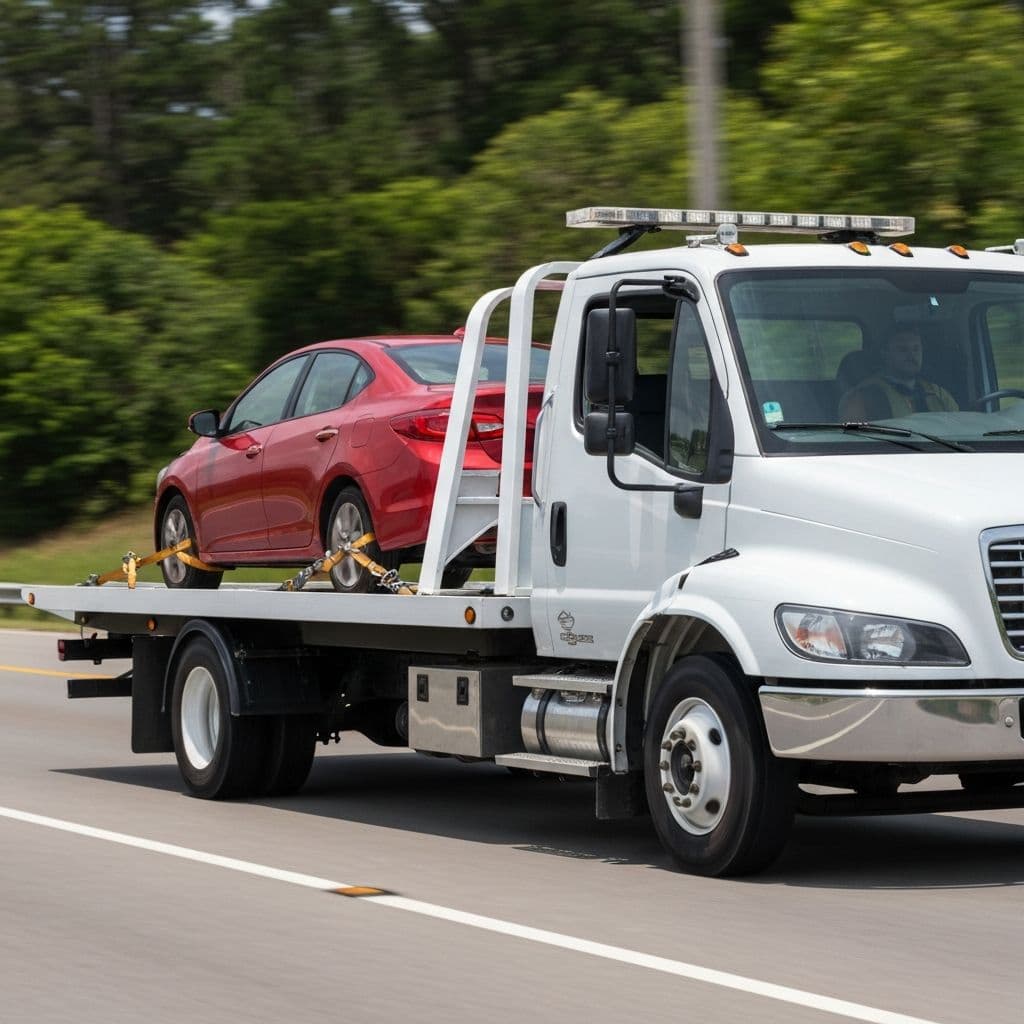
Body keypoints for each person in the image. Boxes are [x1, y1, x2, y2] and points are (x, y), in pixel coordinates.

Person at [838, 327, 958, 421]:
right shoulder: (863, 396)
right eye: (902, 349)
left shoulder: (938, 394)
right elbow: (854, 441)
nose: (911, 355)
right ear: (885, 353)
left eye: (916, 349)